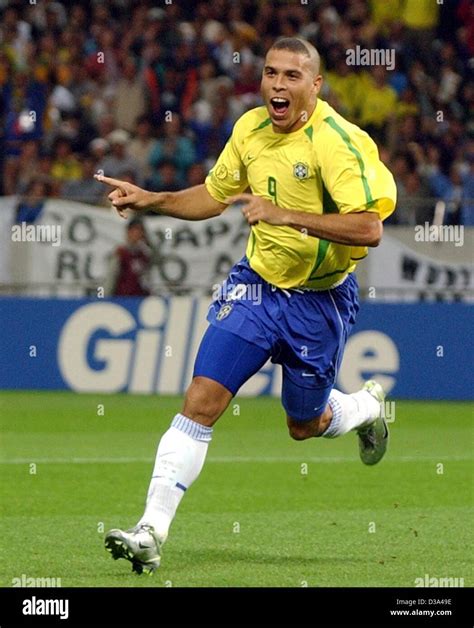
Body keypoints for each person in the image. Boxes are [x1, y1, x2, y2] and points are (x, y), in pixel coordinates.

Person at [95, 37, 396, 575]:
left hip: (319, 301)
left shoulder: (337, 143)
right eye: (270, 74)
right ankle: (151, 531)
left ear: (315, 85)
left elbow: (369, 226)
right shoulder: (250, 130)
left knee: (304, 424)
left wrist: (286, 215)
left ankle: (366, 407)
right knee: (201, 400)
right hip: (255, 289)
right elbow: (215, 195)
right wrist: (154, 200)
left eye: (291, 77)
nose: (277, 85)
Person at [104, 218, 152, 297]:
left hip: (139, 299)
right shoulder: (120, 253)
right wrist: (106, 298)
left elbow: (147, 280)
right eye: (135, 230)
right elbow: (111, 277)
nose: (137, 234)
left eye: (140, 231)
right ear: (128, 232)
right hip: (121, 299)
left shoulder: (144, 255)